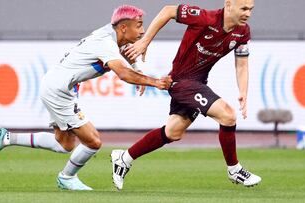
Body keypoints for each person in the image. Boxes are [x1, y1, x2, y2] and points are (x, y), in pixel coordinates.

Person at [0, 5, 172, 191]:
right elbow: (122, 73)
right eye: (139, 25)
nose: (143, 30)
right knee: (93, 141)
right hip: (58, 90)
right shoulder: (105, 42)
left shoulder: (111, 36)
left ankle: (6, 138)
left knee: (64, 143)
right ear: (124, 27)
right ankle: (67, 177)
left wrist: (137, 70)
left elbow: (124, 54)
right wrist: (154, 82)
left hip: (59, 85)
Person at [111, 0, 261, 190]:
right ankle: (234, 169)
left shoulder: (242, 32)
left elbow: (242, 64)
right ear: (229, 5)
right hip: (182, 81)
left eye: (251, 9)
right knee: (228, 115)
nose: (248, 14)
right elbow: (167, 11)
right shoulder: (204, 18)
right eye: (244, 8)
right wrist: (144, 42)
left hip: (197, 82)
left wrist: (243, 92)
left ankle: (124, 158)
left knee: (173, 132)